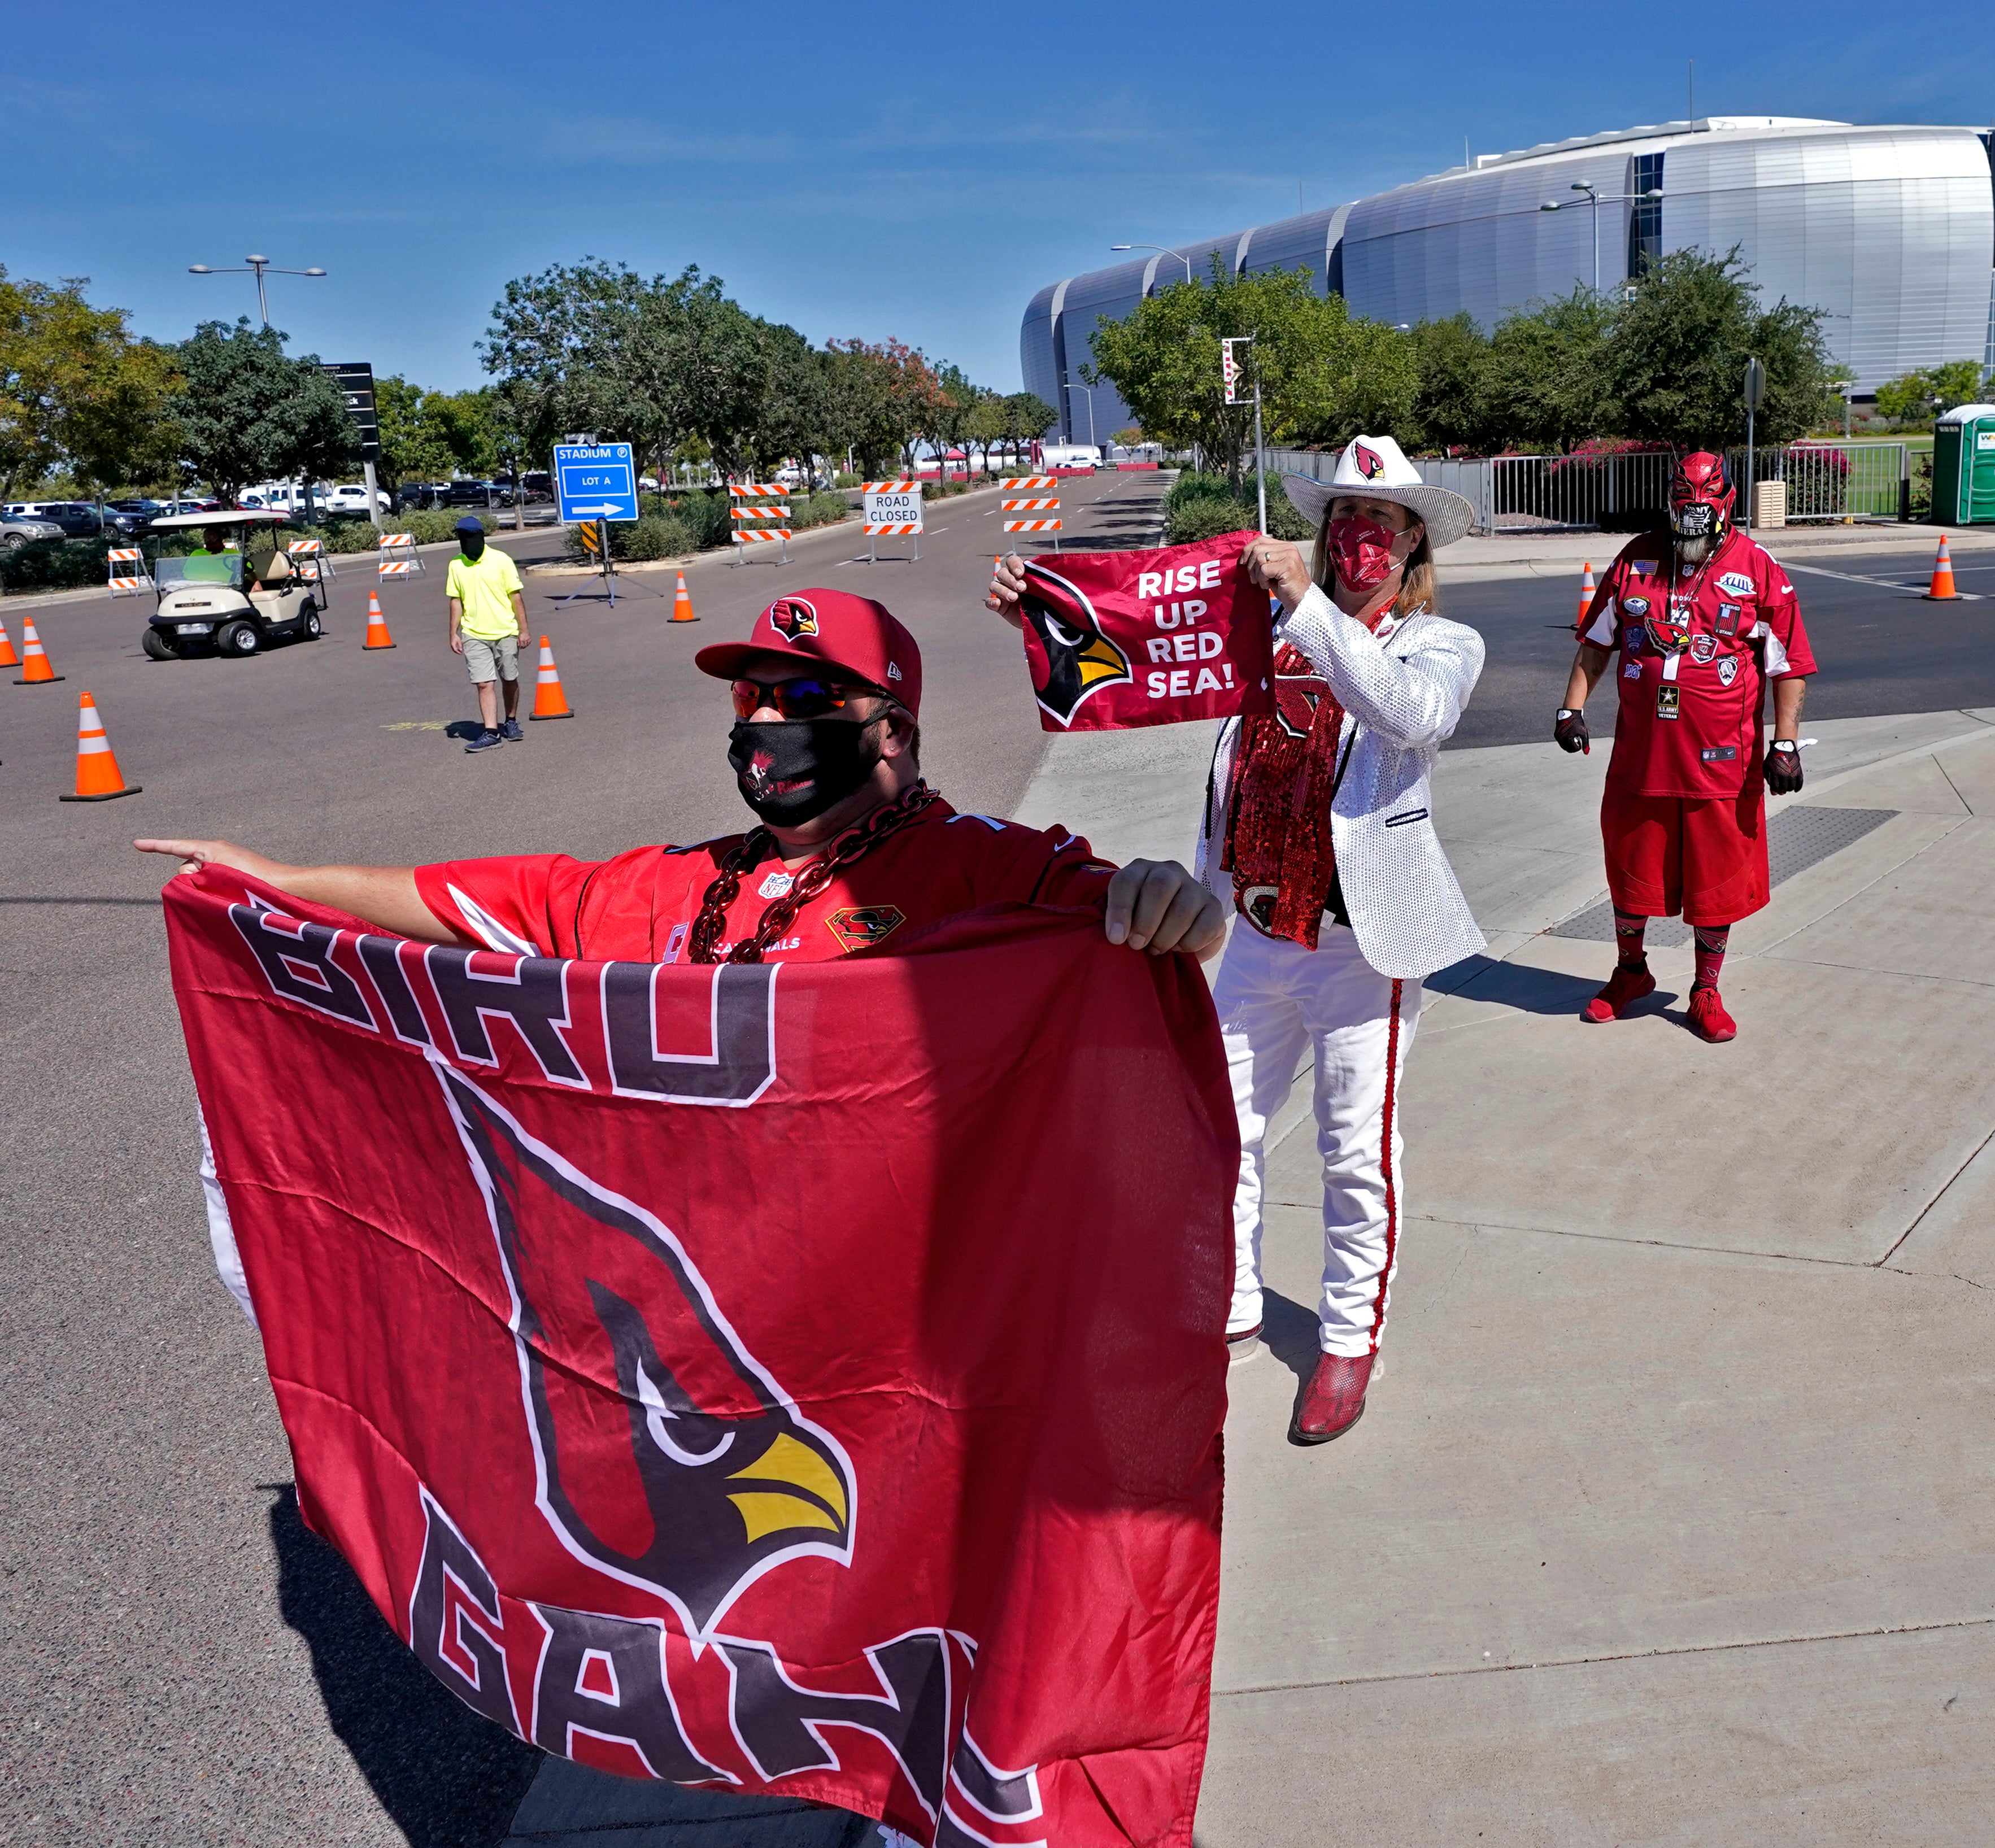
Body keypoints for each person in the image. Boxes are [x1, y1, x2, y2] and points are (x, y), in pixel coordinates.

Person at [987, 435, 1486, 1446]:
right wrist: (1045, 614)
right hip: (1256, 934)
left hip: (1357, 947)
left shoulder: (1439, 644)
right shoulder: (1265, 631)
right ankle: (1229, 1303)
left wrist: (1307, 608)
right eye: (1343, 518)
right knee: (1219, 1130)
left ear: (1411, 545)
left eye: (1380, 523)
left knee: (1355, 1154)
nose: (1358, 538)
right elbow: (1146, 649)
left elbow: (1404, 715)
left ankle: (1348, 1341)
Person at [137, 587, 1226, 967]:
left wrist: (1174, 907)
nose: (764, 721)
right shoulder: (663, 885)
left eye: (805, 701)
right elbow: (462, 903)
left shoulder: (987, 869)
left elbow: (1139, 916)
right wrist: (272, 875)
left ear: (891, 734)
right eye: (749, 697)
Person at [1554, 452, 1817, 1044]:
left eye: (1703, 509)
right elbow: (1598, 642)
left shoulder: (1758, 566)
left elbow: (1788, 663)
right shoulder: (1636, 558)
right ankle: (1631, 972)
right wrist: (1571, 707)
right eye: (1683, 508)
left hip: (1721, 761)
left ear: (1724, 507)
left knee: (1715, 878)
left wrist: (1787, 742)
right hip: (1642, 757)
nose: (1691, 521)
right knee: (1631, 869)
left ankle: (1706, 987)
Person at [446, 516, 530, 753]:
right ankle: (491, 732)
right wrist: (454, 633)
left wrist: (524, 630)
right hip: (473, 632)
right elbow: (456, 601)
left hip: (505, 631)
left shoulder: (501, 560)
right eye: (462, 537)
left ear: (480, 537)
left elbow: (516, 597)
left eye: (470, 536)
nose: (465, 541)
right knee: (484, 684)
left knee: (509, 679)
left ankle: (511, 721)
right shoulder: (456, 565)